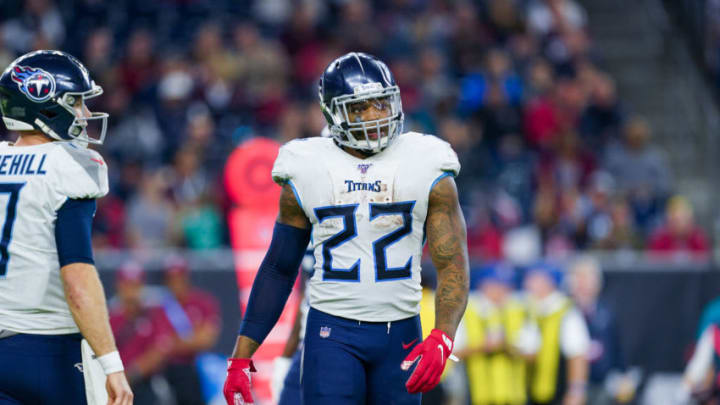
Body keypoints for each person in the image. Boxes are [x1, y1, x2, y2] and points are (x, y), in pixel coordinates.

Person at [223, 52, 470, 405]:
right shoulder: (307, 165)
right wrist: (241, 355)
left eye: (381, 104)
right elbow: (279, 268)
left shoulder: (427, 161)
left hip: (400, 330)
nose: (374, 116)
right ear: (333, 114)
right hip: (332, 333)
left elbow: (453, 263)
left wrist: (443, 335)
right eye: (360, 108)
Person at [0, 50, 132, 404]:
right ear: (44, 105)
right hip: (46, 352)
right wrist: (111, 364)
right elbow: (77, 280)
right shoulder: (69, 165)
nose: (86, 113)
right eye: (76, 102)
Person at [567, 256, 635, 405]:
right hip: (570, 387)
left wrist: (623, 376)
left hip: (601, 385)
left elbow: (616, 348)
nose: (583, 284)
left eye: (587, 279)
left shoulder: (607, 312)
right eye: (579, 278)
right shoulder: (564, 312)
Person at [524, 262, 590, 405]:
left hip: (557, 392)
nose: (529, 283)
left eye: (535, 279)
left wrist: (576, 393)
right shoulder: (527, 309)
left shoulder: (565, 311)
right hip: (528, 391)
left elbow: (577, 354)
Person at [160, 256, 221, 405]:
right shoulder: (160, 306)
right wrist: (192, 338)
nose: (176, 283)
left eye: (179, 278)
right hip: (166, 370)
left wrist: (174, 343)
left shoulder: (202, 302)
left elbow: (207, 339)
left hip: (195, 369)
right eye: (172, 279)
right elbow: (157, 344)